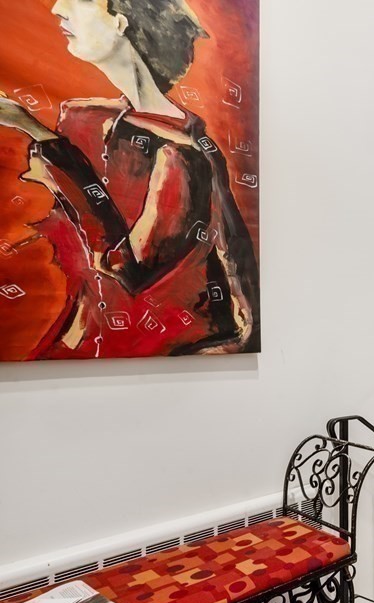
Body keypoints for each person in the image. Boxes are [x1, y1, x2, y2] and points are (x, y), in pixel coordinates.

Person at [0, 0, 259, 359]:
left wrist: (37, 135)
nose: (58, 9)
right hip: (83, 342)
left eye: (84, 1)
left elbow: (129, 266)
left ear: (122, 22)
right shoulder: (83, 119)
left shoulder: (182, 153)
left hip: (167, 351)